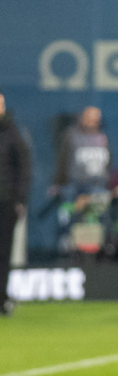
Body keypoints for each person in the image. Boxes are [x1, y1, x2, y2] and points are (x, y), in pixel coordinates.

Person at [0, 91, 31, 314]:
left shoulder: (12, 133)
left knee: (3, 252)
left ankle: (2, 297)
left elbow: (24, 167)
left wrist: (20, 198)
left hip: (5, 201)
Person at [50, 106, 113, 200]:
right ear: (81, 118)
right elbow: (63, 161)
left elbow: (110, 163)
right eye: (88, 118)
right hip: (74, 187)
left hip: (98, 187)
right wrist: (58, 183)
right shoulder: (71, 136)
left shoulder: (103, 139)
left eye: (95, 120)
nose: (91, 123)